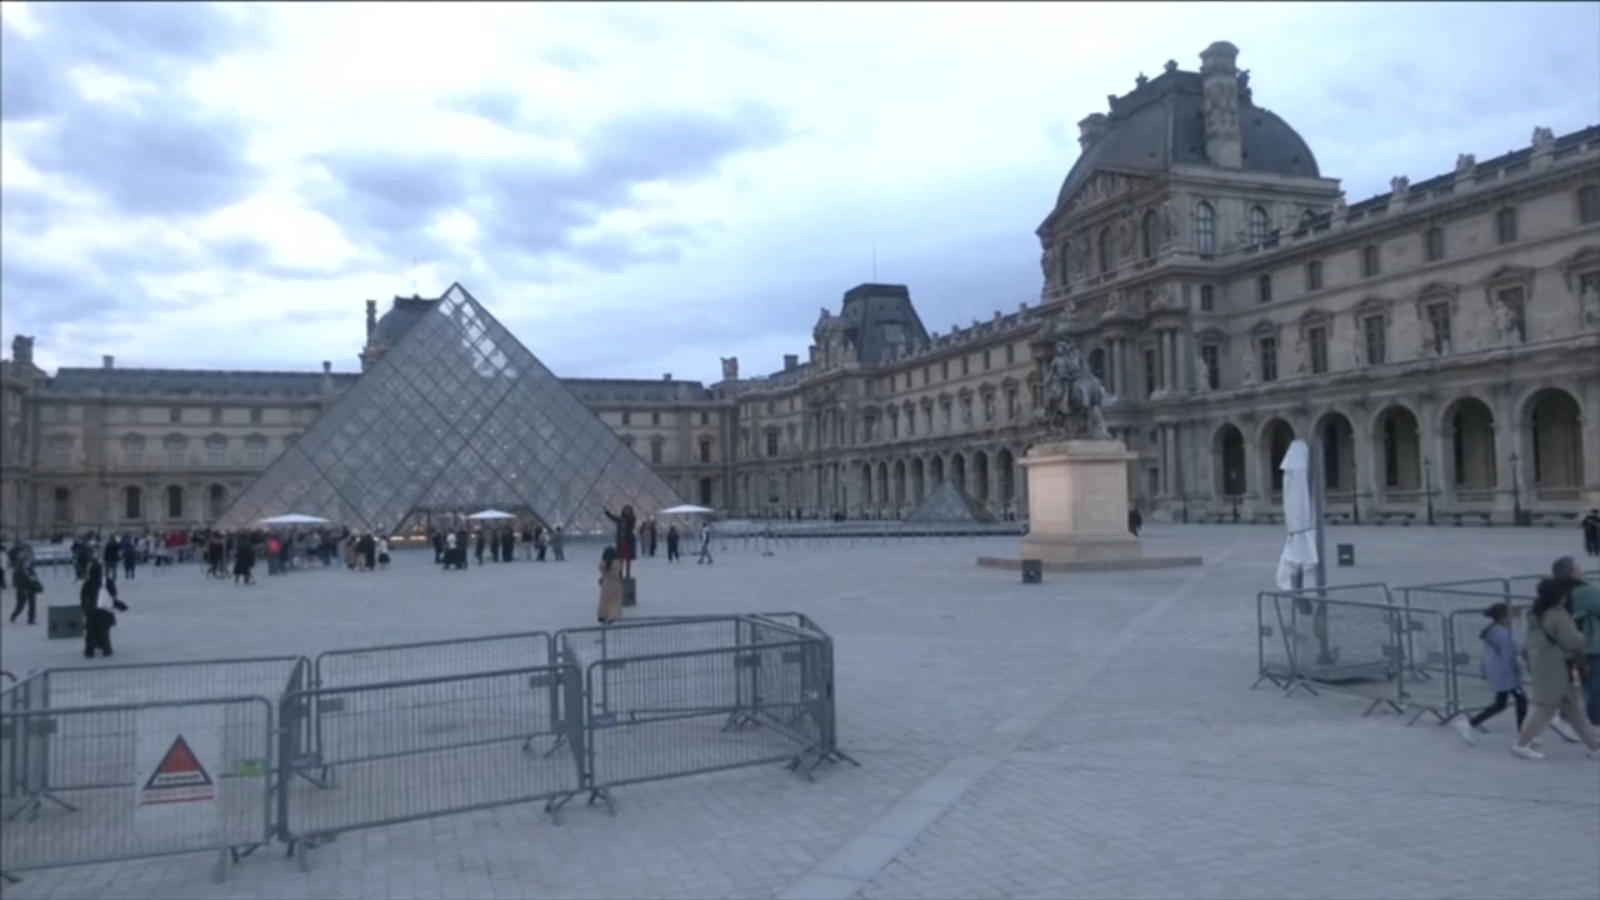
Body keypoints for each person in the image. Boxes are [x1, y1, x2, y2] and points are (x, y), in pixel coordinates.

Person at [1511, 577, 1600, 760]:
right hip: (1556, 666)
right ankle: (1522, 743)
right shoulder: (1558, 615)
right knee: (1546, 707)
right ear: (1559, 596)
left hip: (1544, 664)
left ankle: (1594, 745)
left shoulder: (1536, 613)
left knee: (1573, 707)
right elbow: (1572, 641)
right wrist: (1582, 637)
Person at [1455, 603, 1526, 745]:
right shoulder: (1501, 632)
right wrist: (1516, 671)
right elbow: (1508, 654)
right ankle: (1523, 734)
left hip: (1499, 672)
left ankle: (1471, 723)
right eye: (1510, 614)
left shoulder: (1493, 630)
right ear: (1503, 616)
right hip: (1505, 673)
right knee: (1521, 700)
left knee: (1501, 703)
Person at [1553, 556, 1600, 728]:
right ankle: (1595, 724)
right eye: (1579, 568)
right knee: (1595, 686)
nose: (1583, 571)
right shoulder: (1585, 592)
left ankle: (1566, 718)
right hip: (1591, 645)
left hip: (1566, 644)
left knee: (1570, 684)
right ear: (1572, 573)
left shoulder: (1556, 591)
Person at [80, 562, 127, 659]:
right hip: (105, 611)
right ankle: (106, 650)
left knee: (90, 633)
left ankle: (89, 651)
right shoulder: (107, 581)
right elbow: (113, 594)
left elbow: (83, 597)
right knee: (104, 632)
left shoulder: (88, 583)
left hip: (92, 611)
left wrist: (85, 608)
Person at [604, 506, 637, 578]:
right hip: (621, 541)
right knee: (620, 559)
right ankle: (620, 572)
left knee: (628, 559)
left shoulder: (631, 519)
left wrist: (623, 520)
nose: (626, 511)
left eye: (628, 510)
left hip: (628, 541)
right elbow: (613, 518)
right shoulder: (621, 519)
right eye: (625, 510)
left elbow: (630, 523)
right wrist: (607, 513)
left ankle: (627, 573)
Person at [597, 546, 623, 625]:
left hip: (605, 584)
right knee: (614, 602)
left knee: (604, 601)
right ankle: (612, 616)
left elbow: (603, 573)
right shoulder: (617, 564)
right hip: (615, 584)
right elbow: (618, 574)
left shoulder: (602, 564)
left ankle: (602, 615)